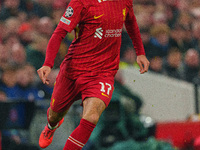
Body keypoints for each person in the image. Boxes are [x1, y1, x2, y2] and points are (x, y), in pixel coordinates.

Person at [37, 0, 150, 149]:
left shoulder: (124, 2)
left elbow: (131, 23)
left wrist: (140, 52)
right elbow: (59, 33)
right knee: (54, 115)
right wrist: (48, 63)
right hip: (74, 70)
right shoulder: (80, 3)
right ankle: (51, 127)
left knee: (92, 116)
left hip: (103, 72)